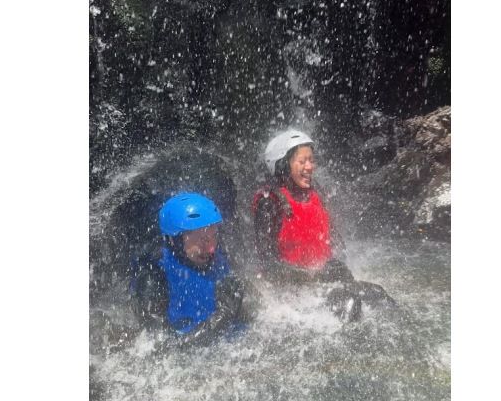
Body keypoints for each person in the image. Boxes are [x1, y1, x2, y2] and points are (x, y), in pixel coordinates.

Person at [252, 129, 364, 320]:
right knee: (349, 307)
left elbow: (335, 241)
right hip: (290, 294)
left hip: (322, 284)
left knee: (377, 296)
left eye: (311, 160)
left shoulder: (316, 194)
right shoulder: (270, 202)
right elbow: (268, 262)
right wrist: (309, 277)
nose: (310, 167)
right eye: (302, 161)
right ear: (283, 166)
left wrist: (337, 266)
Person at [129, 192, 253, 343]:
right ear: (176, 240)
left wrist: (241, 307)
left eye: (214, 236)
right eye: (203, 240)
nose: (211, 248)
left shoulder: (219, 259)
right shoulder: (153, 276)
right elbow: (160, 348)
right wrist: (220, 319)